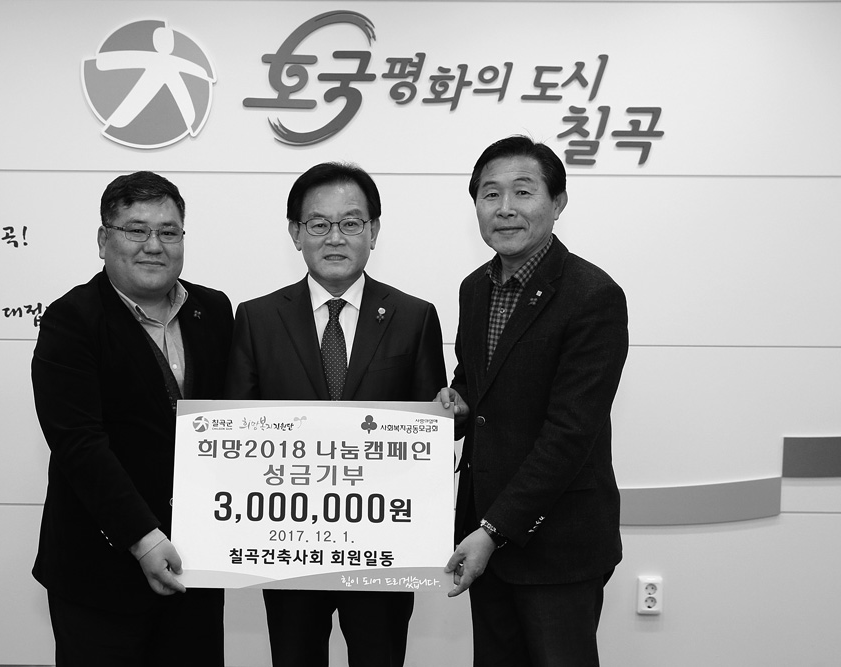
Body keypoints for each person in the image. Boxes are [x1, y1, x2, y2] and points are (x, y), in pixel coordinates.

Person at [225, 162, 447, 667]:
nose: (335, 237)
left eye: (350, 222)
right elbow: (238, 432)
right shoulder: (257, 318)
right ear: (295, 233)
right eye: (318, 224)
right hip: (289, 544)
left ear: (373, 231)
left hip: (383, 549)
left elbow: (430, 435)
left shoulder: (415, 317)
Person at [438, 136, 628, 667]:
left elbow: (570, 433)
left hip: (556, 545)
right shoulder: (474, 288)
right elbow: (477, 385)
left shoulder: (592, 295)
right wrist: (456, 403)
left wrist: (493, 530)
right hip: (484, 535)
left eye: (523, 192)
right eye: (490, 194)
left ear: (558, 202)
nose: (505, 208)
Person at [31, 171, 233, 666]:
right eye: (136, 230)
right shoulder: (70, 320)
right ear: (104, 240)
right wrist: (143, 540)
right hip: (101, 570)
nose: (154, 245)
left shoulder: (213, 310)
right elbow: (79, 445)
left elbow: (235, 422)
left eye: (168, 231)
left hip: (195, 565)